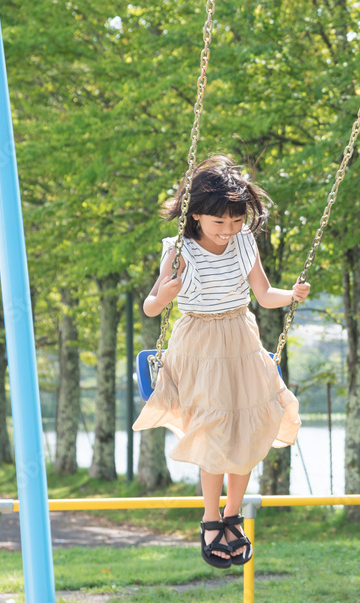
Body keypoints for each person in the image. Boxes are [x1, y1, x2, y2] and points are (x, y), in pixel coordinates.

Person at [134, 155, 309, 569]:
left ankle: (233, 515)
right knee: (214, 430)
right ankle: (210, 518)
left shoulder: (244, 242)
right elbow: (150, 307)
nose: (228, 230)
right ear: (195, 215)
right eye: (219, 222)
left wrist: (292, 295)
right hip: (200, 343)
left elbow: (264, 295)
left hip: (241, 337)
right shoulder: (179, 251)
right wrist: (165, 295)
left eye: (236, 220)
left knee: (250, 425)